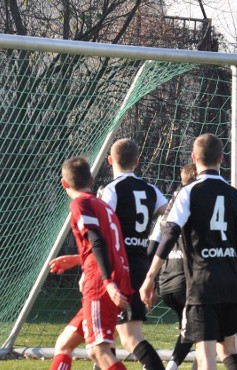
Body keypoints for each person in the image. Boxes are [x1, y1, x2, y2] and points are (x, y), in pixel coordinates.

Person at [140, 133, 237, 370]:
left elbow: (169, 234)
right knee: (229, 351)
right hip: (230, 284)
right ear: (221, 158)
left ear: (194, 158)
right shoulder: (236, 195)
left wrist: (150, 276)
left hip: (202, 285)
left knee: (206, 355)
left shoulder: (188, 193)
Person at [48, 156, 132, 370]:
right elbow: (110, 245)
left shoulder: (80, 203)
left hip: (100, 283)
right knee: (64, 344)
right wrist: (78, 260)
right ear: (92, 181)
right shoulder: (103, 206)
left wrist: (107, 282)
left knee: (97, 351)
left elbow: (95, 239)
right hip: (116, 274)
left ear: (64, 183)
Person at [98, 139, 168, 370]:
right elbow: (171, 213)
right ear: (137, 162)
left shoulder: (112, 190)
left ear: (109, 160)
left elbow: (100, 231)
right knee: (105, 339)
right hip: (140, 265)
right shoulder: (151, 190)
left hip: (118, 267)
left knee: (128, 339)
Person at [148, 163, 198, 370]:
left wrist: (149, 281)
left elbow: (151, 249)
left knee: (192, 330)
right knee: (203, 331)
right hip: (188, 280)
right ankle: (169, 365)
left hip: (166, 282)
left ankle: (152, 363)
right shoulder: (197, 206)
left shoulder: (167, 209)